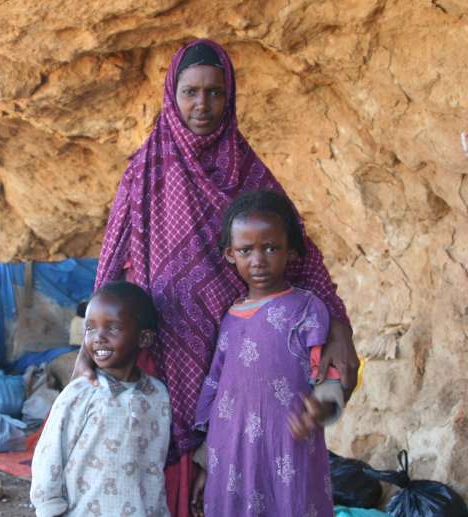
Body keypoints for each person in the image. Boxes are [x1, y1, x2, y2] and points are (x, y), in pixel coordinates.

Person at [75, 39, 359, 515]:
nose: (201, 105)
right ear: (172, 95)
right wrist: (87, 346)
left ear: (230, 98)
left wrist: (341, 328)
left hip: (243, 337)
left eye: (214, 93)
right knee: (164, 474)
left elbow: (304, 257)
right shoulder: (143, 172)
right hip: (161, 345)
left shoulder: (252, 174)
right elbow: (111, 264)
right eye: (190, 92)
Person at [190, 190, 344, 517]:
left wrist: (322, 406)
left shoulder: (306, 309)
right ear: (231, 254)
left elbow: (329, 375)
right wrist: (205, 460)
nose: (258, 260)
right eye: (246, 250)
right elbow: (216, 383)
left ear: (291, 252)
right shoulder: (229, 317)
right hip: (229, 452)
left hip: (287, 445)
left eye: (271, 248)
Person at [31, 281, 171, 517]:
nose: (99, 338)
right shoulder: (80, 393)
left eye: (112, 328)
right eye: (90, 328)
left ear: (144, 339)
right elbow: (50, 454)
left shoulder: (158, 395)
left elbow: (155, 465)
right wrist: (48, 508)